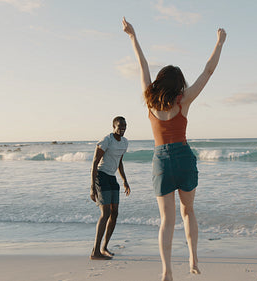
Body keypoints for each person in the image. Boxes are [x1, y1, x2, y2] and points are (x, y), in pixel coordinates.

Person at [123, 17, 226, 281]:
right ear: (178, 83)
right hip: (183, 157)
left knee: (166, 221)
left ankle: (167, 271)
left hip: (161, 161)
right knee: (188, 211)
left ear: (160, 81)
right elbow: (208, 72)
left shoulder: (149, 100)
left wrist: (133, 35)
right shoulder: (184, 101)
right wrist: (220, 42)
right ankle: (192, 258)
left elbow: (142, 65)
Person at [89, 116, 130, 260]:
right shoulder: (107, 140)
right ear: (114, 127)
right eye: (120, 126)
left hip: (112, 177)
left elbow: (119, 163)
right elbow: (95, 162)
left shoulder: (125, 142)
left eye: (124, 126)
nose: (123, 128)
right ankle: (95, 251)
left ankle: (104, 247)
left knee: (115, 213)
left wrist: (125, 180)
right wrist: (92, 187)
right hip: (101, 176)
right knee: (105, 213)